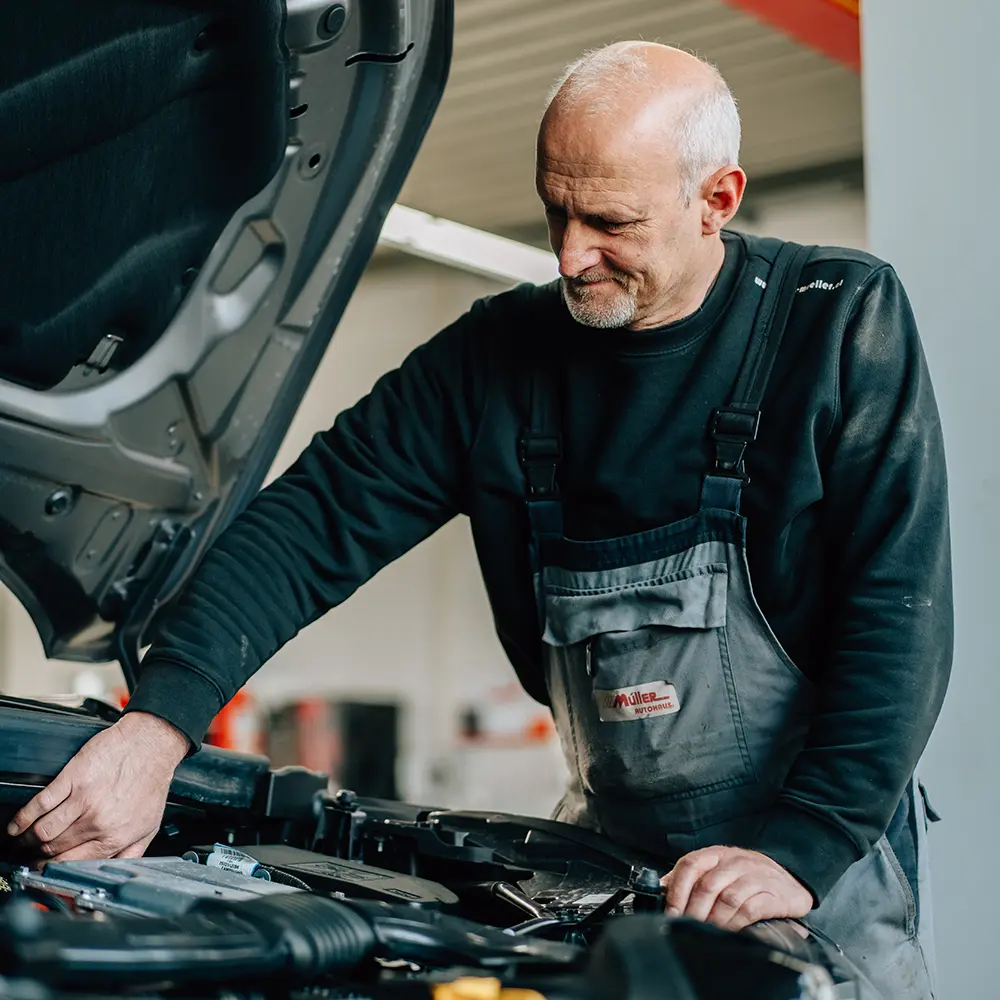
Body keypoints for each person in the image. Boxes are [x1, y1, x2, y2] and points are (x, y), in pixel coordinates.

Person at [8, 42, 951, 997]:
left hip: (811, 855)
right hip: (601, 862)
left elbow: (899, 617)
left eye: (611, 222)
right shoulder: (497, 359)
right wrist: (158, 724)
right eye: (556, 210)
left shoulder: (837, 325)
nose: (572, 255)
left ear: (717, 199)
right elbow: (311, 521)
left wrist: (802, 846)